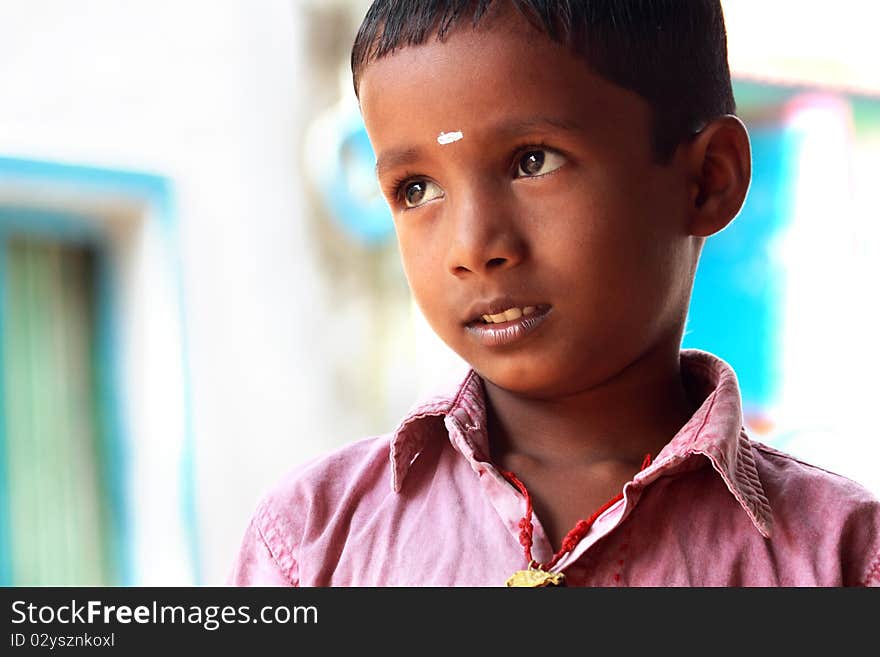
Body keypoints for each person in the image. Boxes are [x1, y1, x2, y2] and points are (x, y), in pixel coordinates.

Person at [228, 0, 880, 586]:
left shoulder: (840, 558)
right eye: (416, 188)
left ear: (707, 180)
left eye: (532, 161)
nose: (472, 245)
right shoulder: (314, 543)